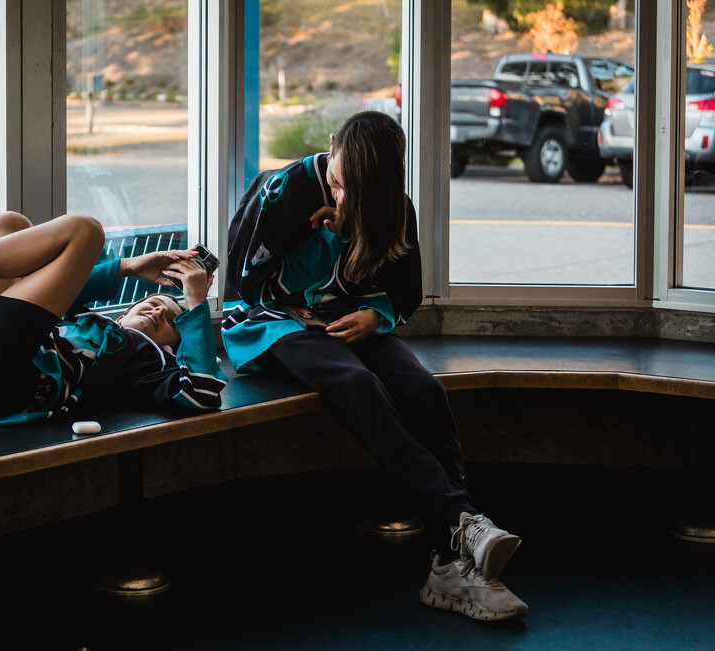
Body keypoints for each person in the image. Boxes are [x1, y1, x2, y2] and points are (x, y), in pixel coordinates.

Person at [222, 111, 527, 622]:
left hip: (344, 321)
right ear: (333, 145)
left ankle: (450, 564)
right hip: (269, 323)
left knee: (425, 390)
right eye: (339, 182)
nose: (341, 197)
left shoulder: (392, 207)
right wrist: (327, 240)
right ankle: (460, 522)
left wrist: (375, 314)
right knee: (357, 382)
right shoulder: (282, 191)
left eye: (353, 191)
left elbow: (404, 290)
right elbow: (249, 285)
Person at [0, 205, 226, 422]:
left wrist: (195, 305)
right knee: (11, 223)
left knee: (86, 231)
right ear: (122, 314)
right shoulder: (83, 321)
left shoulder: (150, 365)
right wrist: (129, 266)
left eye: (169, 320)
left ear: (172, 348)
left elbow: (203, 394)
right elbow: (64, 281)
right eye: (153, 303)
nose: (157, 311)